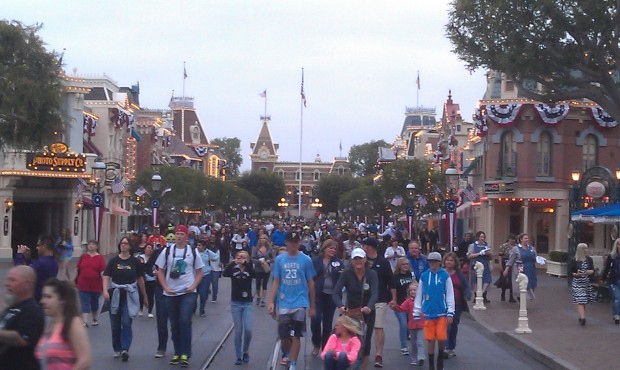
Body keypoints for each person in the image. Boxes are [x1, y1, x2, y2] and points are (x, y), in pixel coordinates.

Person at [156, 224, 204, 367]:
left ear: (186, 236)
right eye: (177, 234)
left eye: (182, 234)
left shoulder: (193, 252)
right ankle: (177, 352)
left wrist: (193, 286)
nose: (179, 236)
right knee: (174, 324)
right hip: (171, 292)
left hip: (187, 292)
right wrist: (165, 287)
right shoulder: (167, 251)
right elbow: (160, 270)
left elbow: (200, 272)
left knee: (184, 320)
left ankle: (185, 353)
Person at [268, 230, 317, 370]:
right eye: (291, 242)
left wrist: (312, 305)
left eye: (296, 242)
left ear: (299, 243)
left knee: (296, 334)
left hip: (300, 301)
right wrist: (271, 301)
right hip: (284, 301)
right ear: (286, 243)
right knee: (284, 336)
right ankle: (288, 353)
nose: (293, 245)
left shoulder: (306, 259)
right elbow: (276, 281)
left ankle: (293, 363)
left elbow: (311, 282)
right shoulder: (280, 259)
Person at [102, 236, 148, 362]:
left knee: (127, 322)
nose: (123, 245)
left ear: (130, 246)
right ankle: (117, 347)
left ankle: (125, 349)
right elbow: (106, 276)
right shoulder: (114, 261)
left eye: (126, 243)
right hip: (115, 294)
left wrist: (144, 296)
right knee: (115, 325)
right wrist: (105, 290)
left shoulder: (135, 262)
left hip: (129, 295)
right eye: (122, 243)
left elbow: (140, 279)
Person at [332, 248, 378, 370]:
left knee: (366, 342)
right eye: (355, 259)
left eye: (360, 258)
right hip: (352, 313)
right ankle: (349, 364)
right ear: (352, 261)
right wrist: (341, 306)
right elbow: (335, 293)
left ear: (365, 259)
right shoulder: (347, 273)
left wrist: (369, 306)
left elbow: (375, 292)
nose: (358, 261)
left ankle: (363, 367)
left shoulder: (371, 274)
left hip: (367, 313)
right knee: (351, 341)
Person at [36, 279, 91, 370]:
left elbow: (85, 360)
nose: (43, 301)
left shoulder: (73, 323)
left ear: (62, 300)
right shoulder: (52, 325)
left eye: (48, 297)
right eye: (43, 296)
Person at [413, 252, 455, 370]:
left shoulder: (445, 276)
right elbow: (419, 294)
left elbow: (450, 295)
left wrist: (450, 311)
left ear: (439, 262)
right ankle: (431, 365)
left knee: (441, 337)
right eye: (430, 261)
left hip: (441, 312)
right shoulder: (424, 276)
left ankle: (440, 358)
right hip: (428, 313)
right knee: (430, 339)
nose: (432, 264)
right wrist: (417, 312)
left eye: (434, 261)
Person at [0, 266, 45, 370]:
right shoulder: (11, 308)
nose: (7, 284)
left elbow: (21, 339)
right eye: (8, 279)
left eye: (13, 280)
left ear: (27, 285)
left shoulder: (32, 311)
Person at [362, 237, 396, 368]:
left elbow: (391, 281)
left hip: (380, 299)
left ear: (371, 247)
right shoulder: (361, 261)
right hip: (363, 299)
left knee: (378, 326)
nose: (364, 247)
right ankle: (361, 352)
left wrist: (393, 298)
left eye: (366, 245)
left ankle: (378, 355)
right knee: (361, 326)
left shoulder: (383, 262)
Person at [310, 239, 344, 356]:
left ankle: (325, 346)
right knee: (315, 320)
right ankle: (316, 343)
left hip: (331, 296)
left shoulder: (338, 262)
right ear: (324, 248)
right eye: (330, 248)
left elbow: (341, 278)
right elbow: (310, 276)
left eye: (334, 249)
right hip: (317, 295)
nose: (333, 250)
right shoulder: (315, 261)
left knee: (327, 323)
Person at [223, 250, 256, 365]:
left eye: (243, 257)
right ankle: (238, 355)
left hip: (247, 303)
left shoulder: (249, 268)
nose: (241, 259)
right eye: (239, 257)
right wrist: (233, 262)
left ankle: (245, 351)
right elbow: (224, 273)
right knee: (238, 330)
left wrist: (246, 264)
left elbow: (254, 275)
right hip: (236, 302)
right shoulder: (233, 269)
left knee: (248, 329)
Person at [443, 252, 471, 358]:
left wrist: (468, 294)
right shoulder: (441, 273)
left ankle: (451, 347)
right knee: (447, 325)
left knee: (454, 326)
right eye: (447, 260)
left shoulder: (459, 274)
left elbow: (466, 286)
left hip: (457, 304)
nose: (449, 262)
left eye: (451, 260)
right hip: (444, 304)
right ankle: (445, 347)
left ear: (455, 263)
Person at [15, 236, 59, 302]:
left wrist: (19, 254)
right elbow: (35, 269)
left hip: (36, 300)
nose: (36, 248)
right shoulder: (54, 263)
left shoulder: (42, 263)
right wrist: (28, 259)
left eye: (38, 245)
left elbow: (20, 273)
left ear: (44, 246)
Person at [392, 282, 425, 367]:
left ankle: (421, 357)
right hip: (412, 325)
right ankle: (414, 358)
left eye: (415, 290)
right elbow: (401, 309)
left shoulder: (423, 300)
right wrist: (395, 306)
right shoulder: (408, 302)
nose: (412, 292)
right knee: (413, 343)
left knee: (420, 342)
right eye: (411, 290)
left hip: (421, 325)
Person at [75, 240, 106, 326]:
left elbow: (102, 272)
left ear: (97, 247)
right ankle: (85, 321)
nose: (91, 246)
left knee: (94, 302)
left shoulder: (100, 258)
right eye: (90, 244)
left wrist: (104, 285)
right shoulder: (83, 256)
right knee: (84, 301)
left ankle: (94, 318)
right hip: (83, 283)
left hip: (96, 284)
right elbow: (77, 269)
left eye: (93, 245)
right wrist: (73, 279)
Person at [391, 257, 415, 356]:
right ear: (399, 265)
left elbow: (415, 285)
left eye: (407, 264)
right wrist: (393, 301)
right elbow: (393, 289)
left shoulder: (411, 275)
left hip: (410, 303)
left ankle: (408, 335)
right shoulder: (395, 276)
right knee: (403, 324)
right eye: (403, 264)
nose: (405, 266)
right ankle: (404, 346)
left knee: (410, 324)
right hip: (400, 304)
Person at [503, 233, 537, 300]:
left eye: (527, 238)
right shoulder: (516, 249)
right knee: (521, 283)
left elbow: (535, 257)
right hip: (520, 267)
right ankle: (520, 299)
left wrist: (538, 259)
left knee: (530, 283)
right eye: (525, 238)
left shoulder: (531, 248)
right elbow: (511, 260)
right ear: (521, 239)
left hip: (530, 267)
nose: (527, 239)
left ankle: (527, 297)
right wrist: (506, 269)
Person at [571, 243, 595, 325]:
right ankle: (583, 318)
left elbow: (592, 270)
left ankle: (581, 315)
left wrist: (588, 272)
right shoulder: (574, 260)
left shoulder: (589, 259)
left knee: (584, 300)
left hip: (586, 282)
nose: (587, 250)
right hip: (577, 283)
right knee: (581, 299)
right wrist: (576, 274)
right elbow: (571, 272)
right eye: (585, 248)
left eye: (587, 248)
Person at [467, 231, 493, 303]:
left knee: (487, 280)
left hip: (485, 265)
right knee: (476, 281)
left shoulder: (486, 246)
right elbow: (469, 256)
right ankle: (476, 296)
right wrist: (480, 253)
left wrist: (489, 254)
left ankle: (483, 295)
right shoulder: (472, 245)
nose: (482, 238)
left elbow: (491, 258)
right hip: (476, 265)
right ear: (478, 237)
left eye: (484, 237)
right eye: (481, 237)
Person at [196, 239, 216, 316]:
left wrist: (212, 259)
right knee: (194, 293)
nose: (198, 247)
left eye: (200, 245)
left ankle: (202, 309)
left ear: (204, 246)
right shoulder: (194, 252)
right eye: (197, 245)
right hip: (195, 275)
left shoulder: (208, 252)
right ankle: (193, 308)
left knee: (203, 293)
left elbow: (216, 257)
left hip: (205, 275)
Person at [251, 235, 273, 307]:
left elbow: (273, 258)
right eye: (261, 238)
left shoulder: (269, 248)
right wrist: (259, 261)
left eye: (264, 238)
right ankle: (258, 296)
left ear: (266, 240)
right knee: (258, 283)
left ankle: (263, 300)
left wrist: (269, 261)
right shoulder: (256, 248)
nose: (262, 240)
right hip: (258, 268)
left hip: (266, 268)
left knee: (264, 284)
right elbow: (252, 258)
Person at [602, 238, 620, 324]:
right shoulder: (612, 256)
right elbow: (607, 268)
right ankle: (616, 315)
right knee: (617, 297)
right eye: (618, 244)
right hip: (614, 280)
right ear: (616, 245)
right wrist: (603, 278)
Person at [495, 234, 517, 302]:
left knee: (512, 280)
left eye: (514, 239)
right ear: (509, 239)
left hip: (513, 264)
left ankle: (511, 296)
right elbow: (500, 255)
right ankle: (503, 294)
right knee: (504, 279)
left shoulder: (516, 247)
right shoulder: (504, 246)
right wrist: (500, 265)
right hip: (505, 262)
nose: (513, 241)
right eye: (511, 239)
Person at [139, 243, 157, 317]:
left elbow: (156, 267)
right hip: (142, 279)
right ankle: (141, 309)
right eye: (148, 248)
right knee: (141, 294)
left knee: (150, 295)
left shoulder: (154, 258)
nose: (149, 249)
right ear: (145, 249)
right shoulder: (140, 257)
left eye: (151, 248)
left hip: (151, 279)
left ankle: (150, 311)